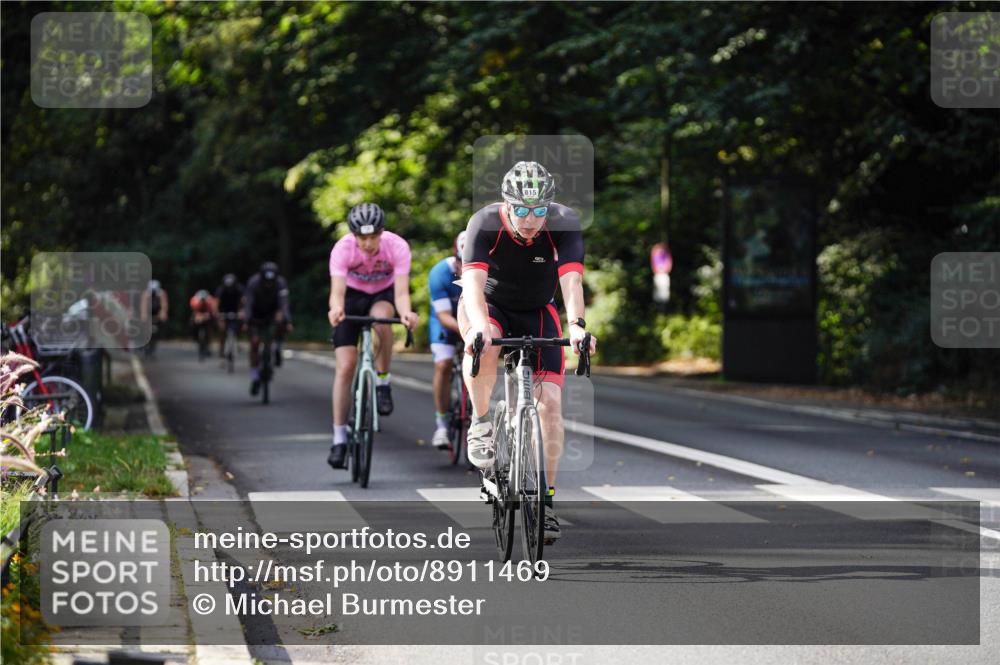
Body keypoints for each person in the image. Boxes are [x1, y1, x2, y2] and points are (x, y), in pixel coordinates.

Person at [459, 160, 597, 544]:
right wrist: (480, 326)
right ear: (506, 203)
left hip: (539, 310)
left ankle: (546, 502)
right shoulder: (484, 223)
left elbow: (571, 281)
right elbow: (472, 284)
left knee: (550, 406)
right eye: (520, 210)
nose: (530, 219)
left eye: (538, 210)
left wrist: (577, 327)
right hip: (491, 306)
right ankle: (482, 423)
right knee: (483, 344)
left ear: (549, 206)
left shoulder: (563, 222)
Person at [326, 202, 419, 469]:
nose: (368, 243)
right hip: (352, 296)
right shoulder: (343, 248)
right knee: (345, 367)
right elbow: (337, 292)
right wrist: (336, 309)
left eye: (373, 237)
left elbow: (401, 293)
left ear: (382, 232)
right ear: (354, 235)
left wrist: (406, 313)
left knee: (381, 321)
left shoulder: (397, 246)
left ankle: (382, 382)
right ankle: (339, 439)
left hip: (382, 294)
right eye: (362, 238)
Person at [427, 231, 466, 450]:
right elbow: (443, 316)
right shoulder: (440, 272)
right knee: (443, 365)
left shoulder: (489, 270)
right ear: (456, 258)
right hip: (446, 323)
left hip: (471, 321)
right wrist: (467, 330)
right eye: (462, 262)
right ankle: (441, 424)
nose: (465, 268)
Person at [244, 261, 292, 395]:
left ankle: (278, 347)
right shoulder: (253, 283)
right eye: (266, 281)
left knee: (282, 322)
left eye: (271, 281)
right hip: (256, 315)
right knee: (254, 343)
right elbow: (248, 304)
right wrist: (247, 320)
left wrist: (287, 320)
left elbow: (284, 304)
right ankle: (255, 376)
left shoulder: (280, 283)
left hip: (272, 313)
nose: (269, 284)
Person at [215, 273, 244, 358]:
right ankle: (221, 350)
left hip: (235, 310)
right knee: (222, 330)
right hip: (223, 311)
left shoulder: (239, 289)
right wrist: (217, 315)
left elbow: (243, 301)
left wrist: (242, 311)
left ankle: (237, 341)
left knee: (241, 325)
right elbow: (216, 303)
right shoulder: (220, 290)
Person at [140, 279, 168, 357]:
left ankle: (154, 344)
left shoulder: (161, 293)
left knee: (157, 330)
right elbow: (143, 306)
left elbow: (164, 305)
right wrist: (144, 315)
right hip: (148, 313)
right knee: (144, 328)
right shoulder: (146, 294)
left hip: (156, 313)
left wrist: (163, 314)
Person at [189, 289, 217, 359]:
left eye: (204, 300)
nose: (203, 301)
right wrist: (198, 317)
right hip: (198, 313)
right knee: (192, 322)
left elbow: (212, 312)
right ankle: (194, 336)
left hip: (208, 314)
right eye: (201, 300)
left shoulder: (211, 301)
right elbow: (194, 312)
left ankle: (208, 343)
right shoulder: (194, 301)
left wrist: (208, 316)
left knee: (209, 328)